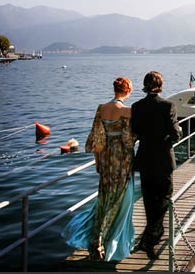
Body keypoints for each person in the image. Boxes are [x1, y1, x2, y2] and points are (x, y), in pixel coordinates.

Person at [61, 77, 136, 261]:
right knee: (121, 199)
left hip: (104, 159)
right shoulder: (127, 111)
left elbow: (96, 139)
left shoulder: (101, 108)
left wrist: (97, 161)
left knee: (104, 197)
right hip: (122, 161)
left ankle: (98, 237)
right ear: (127, 91)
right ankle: (111, 241)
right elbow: (128, 140)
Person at [130, 71, 182, 260]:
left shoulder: (136, 107)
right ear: (160, 85)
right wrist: (166, 140)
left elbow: (135, 131)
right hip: (163, 160)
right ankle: (150, 238)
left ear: (144, 85)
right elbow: (176, 134)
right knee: (165, 197)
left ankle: (153, 234)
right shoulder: (168, 105)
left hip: (144, 159)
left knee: (149, 199)